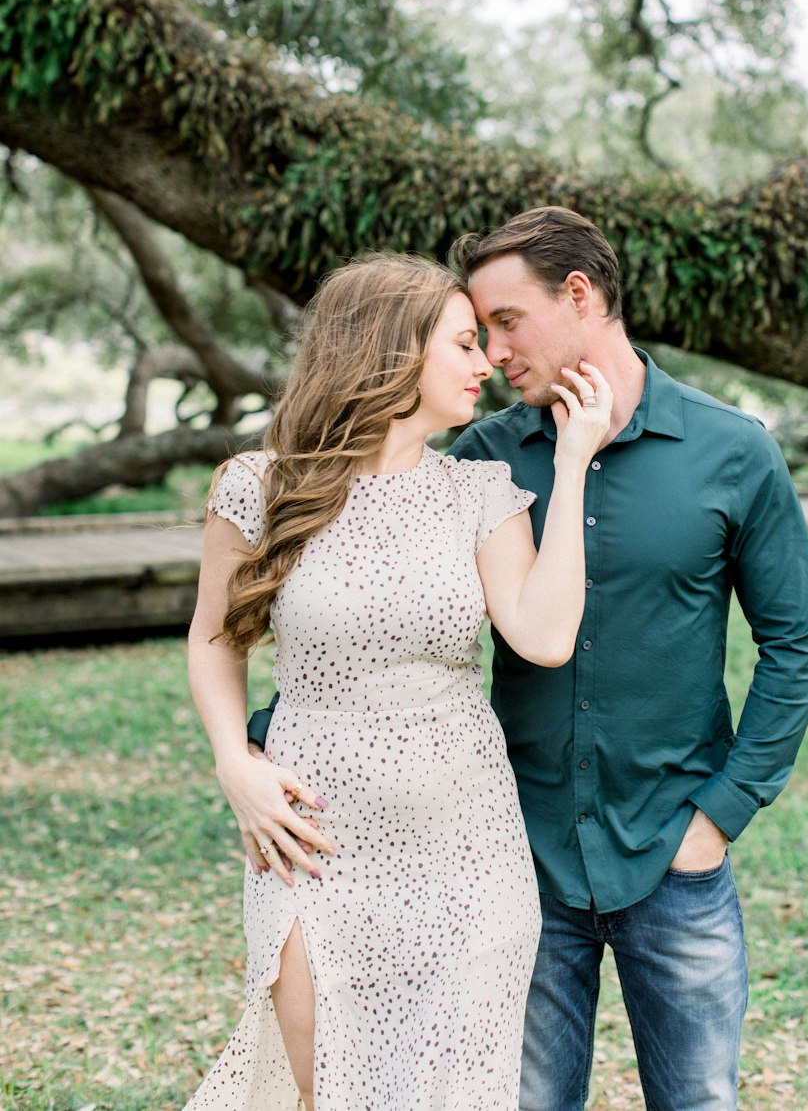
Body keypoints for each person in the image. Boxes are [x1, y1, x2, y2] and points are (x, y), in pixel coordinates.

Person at [244, 208, 808, 1111]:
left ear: (581, 295)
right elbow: (361, 599)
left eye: (506, 323)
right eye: (475, 335)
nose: (493, 353)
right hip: (518, 857)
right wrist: (262, 751)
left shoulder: (733, 451)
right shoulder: (480, 458)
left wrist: (721, 812)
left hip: (674, 850)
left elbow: (795, 645)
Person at [183, 250, 612, 1111]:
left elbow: (546, 635)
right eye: (462, 343)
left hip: (467, 851)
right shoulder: (258, 488)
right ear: (390, 353)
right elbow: (213, 639)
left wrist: (571, 469)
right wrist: (235, 761)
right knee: (328, 1087)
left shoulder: (478, 492)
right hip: (313, 841)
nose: (487, 361)